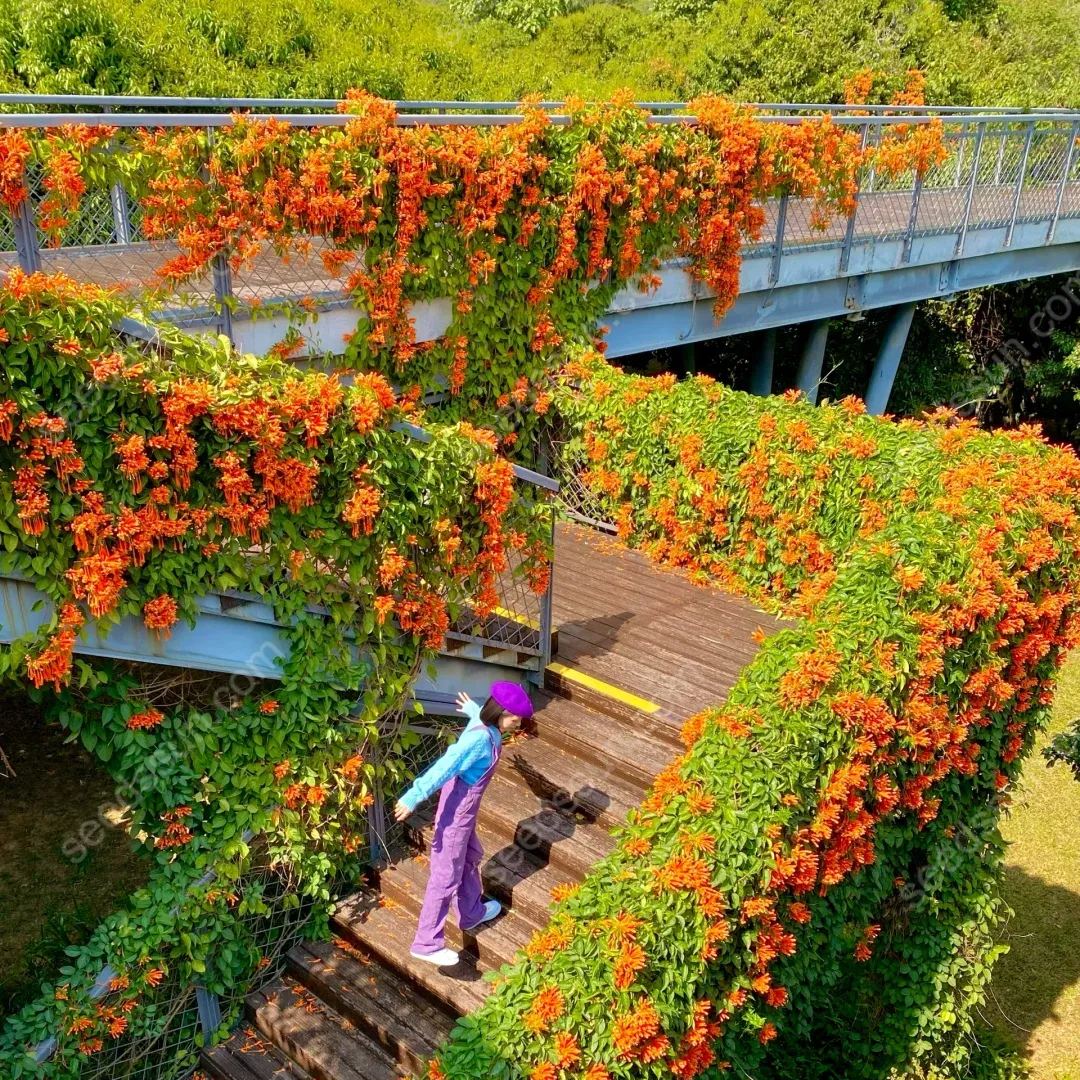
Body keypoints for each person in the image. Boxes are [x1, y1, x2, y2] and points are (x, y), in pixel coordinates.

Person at [394, 680, 534, 967]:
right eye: (514, 719)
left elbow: (477, 722)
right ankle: (426, 942)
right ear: (499, 712)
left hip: (466, 810)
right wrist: (413, 796)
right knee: (445, 876)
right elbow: (447, 765)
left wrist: (472, 710)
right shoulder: (479, 740)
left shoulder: (486, 727)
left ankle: (470, 912)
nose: (517, 725)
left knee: (471, 856)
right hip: (457, 812)